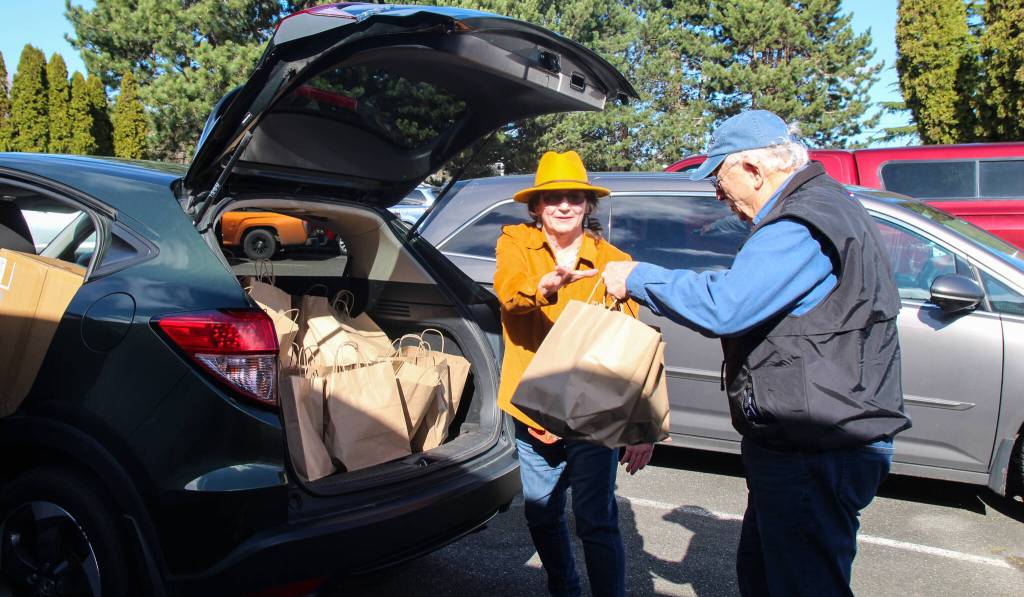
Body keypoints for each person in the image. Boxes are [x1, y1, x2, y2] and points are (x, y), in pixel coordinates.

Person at [601, 110, 911, 597]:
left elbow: (726, 306)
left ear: (754, 169)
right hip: (813, 436)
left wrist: (636, 276)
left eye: (720, 179)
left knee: (801, 583)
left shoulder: (800, 223)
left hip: (814, 447)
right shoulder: (826, 204)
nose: (718, 194)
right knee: (768, 575)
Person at [494, 150, 655, 597]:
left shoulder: (614, 260)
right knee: (542, 512)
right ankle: (563, 586)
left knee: (596, 520)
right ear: (535, 207)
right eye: (553, 198)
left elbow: (629, 347)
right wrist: (543, 287)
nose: (564, 206)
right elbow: (509, 296)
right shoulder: (515, 244)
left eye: (575, 198)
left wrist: (640, 426)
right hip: (534, 405)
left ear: (588, 205)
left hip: (593, 411)